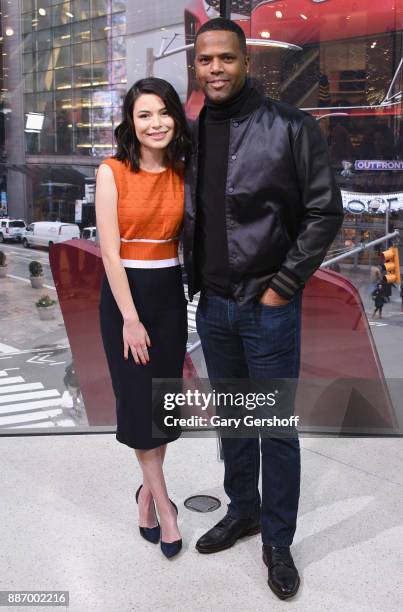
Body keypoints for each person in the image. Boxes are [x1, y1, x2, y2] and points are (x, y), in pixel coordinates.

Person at [183, 18, 344, 599]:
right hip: (214, 304)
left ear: (245, 62)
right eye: (206, 61)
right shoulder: (193, 130)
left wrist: (283, 285)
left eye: (226, 59)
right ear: (196, 67)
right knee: (235, 421)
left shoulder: (289, 126)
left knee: (274, 428)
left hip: (268, 304)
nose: (216, 69)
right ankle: (243, 511)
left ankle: (278, 539)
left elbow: (326, 211)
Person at [96, 78, 191, 559]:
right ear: (130, 123)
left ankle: (145, 496)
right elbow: (110, 255)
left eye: (163, 113)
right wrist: (130, 319)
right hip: (125, 298)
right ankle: (166, 508)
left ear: (175, 115)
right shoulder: (111, 171)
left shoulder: (181, 168)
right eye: (144, 115)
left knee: (162, 407)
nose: (156, 123)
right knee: (139, 407)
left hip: (169, 295)